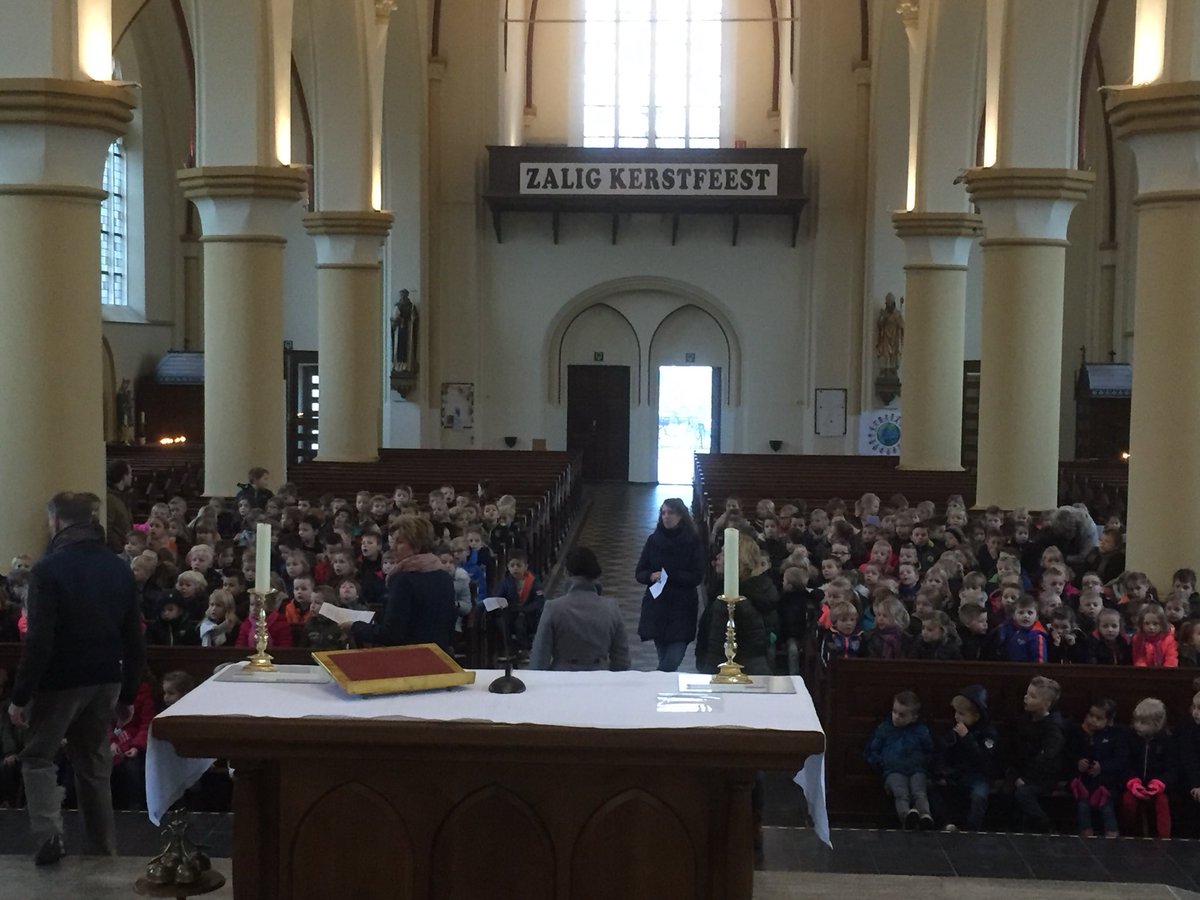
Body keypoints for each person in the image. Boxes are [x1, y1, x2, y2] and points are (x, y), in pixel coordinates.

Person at [9, 492, 145, 865]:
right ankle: (102, 849)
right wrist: (129, 693)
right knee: (93, 763)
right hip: (106, 678)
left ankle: (50, 834)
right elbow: (134, 637)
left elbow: (39, 640)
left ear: (56, 521)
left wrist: (21, 695)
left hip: (61, 680)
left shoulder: (48, 570)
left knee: (37, 756)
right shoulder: (117, 567)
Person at [347, 515, 456, 653]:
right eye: (393, 541)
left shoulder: (404, 580)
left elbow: (391, 634)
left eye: (399, 542)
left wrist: (355, 627)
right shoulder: (444, 576)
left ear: (416, 545)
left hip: (411, 658)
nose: (392, 547)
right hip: (439, 656)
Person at [528, 547, 629, 672]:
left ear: (566, 573)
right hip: (600, 677)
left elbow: (540, 656)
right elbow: (622, 659)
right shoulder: (611, 608)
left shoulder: (553, 608)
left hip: (562, 677)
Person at [635, 498, 706, 672]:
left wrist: (670, 575)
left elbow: (697, 576)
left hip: (682, 606)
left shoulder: (692, 541)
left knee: (672, 659)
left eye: (671, 513)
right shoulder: (654, 540)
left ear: (681, 516)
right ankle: (661, 685)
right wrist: (650, 575)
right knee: (664, 659)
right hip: (658, 606)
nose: (666, 516)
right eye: (663, 513)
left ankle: (654, 681)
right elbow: (640, 572)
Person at [930, 685, 1000, 832]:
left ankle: (972, 830)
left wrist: (967, 737)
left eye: (961, 714)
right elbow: (945, 751)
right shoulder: (955, 729)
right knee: (932, 787)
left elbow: (983, 760)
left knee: (979, 796)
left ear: (976, 716)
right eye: (956, 712)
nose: (956, 717)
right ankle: (946, 824)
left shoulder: (988, 734)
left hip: (979, 776)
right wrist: (942, 772)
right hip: (958, 773)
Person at [866, 690, 933, 830]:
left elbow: (929, 750)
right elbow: (873, 749)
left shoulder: (921, 731)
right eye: (894, 712)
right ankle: (906, 817)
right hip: (893, 770)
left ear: (914, 717)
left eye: (902, 715)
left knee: (919, 792)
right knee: (901, 793)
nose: (896, 717)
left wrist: (926, 764)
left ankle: (925, 816)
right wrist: (881, 763)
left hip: (917, 769)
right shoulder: (885, 728)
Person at [1009, 676, 1066, 833]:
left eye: (1032, 696)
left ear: (1046, 704)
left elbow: (1047, 757)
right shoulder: (1025, 720)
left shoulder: (1053, 727)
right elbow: (1018, 750)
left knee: (1023, 793)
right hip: (1024, 771)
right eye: (1027, 693)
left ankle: (1046, 827)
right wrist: (1015, 774)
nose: (1026, 698)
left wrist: (1026, 779)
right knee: (1007, 790)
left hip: (1044, 776)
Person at [1067, 698, 1127, 837]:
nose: (1093, 720)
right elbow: (1069, 754)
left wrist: (1102, 767)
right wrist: (1078, 762)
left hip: (1106, 783)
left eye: (1099, 718)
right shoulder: (1078, 733)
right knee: (1082, 805)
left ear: (1109, 720)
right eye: (1091, 715)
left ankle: (1112, 832)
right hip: (1084, 782)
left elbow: (1120, 761)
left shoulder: (1116, 735)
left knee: (1107, 806)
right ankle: (1086, 832)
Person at [1122, 698, 1174, 837]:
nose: (1138, 726)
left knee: (1162, 802)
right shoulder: (1129, 738)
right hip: (1134, 785)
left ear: (1157, 724)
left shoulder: (1167, 741)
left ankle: (1164, 839)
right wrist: (1132, 782)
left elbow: (1172, 768)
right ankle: (1129, 835)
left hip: (1156, 786)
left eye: (1144, 723)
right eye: (1136, 721)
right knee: (1128, 802)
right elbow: (1124, 763)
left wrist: (1160, 783)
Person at [104, 460, 134, 555]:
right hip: (118, 551)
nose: (131, 477)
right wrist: (120, 548)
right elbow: (108, 527)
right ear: (123, 476)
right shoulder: (110, 498)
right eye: (130, 473)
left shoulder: (121, 496)